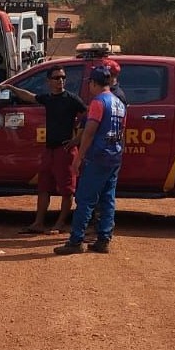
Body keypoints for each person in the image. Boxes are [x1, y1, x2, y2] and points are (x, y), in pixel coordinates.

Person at [0, 67, 87, 235]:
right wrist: (11, 88)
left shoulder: (72, 99)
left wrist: (77, 139)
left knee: (67, 190)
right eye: (56, 78)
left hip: (65, 150)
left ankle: (59, 224)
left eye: (63, 77)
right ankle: (38, 223)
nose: (60, 80)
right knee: (43, 187)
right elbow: (30, 97)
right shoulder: (48, 98)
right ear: (49, 81)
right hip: (50, 150)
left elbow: (89, 116)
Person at [55, 64, 125, 255]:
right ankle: (104, 239)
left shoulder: (98, 102)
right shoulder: (119, 102)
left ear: (94, 83)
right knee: (108, 199)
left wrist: (79, 157)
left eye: (90, 84)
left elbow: (90, 132)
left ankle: (76, 240)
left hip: (98, 156)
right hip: (114, 156)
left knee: (85, 198)